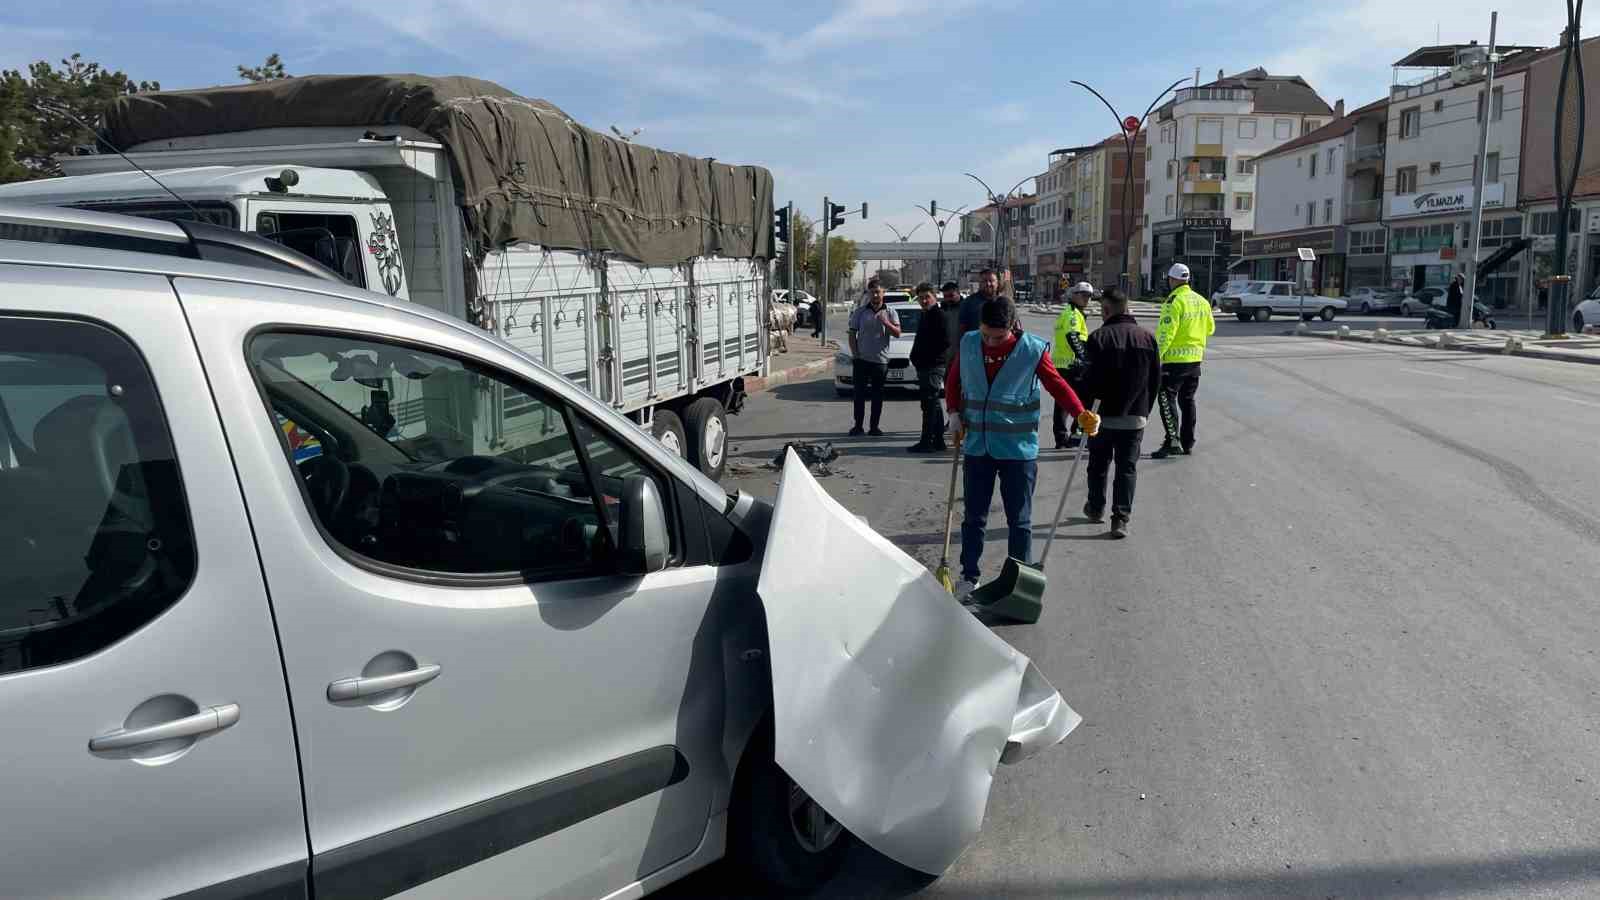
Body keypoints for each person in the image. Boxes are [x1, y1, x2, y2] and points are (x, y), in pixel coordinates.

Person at [946, 295, 1100, 598]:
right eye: (986, 334)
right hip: (978, 446)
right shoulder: (968, 343)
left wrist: (1080, 412)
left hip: (1018, 451)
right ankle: (969, 575)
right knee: (974, 517)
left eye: (998, 337)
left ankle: (1016, 580)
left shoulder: (1032, 350)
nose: (990, 342)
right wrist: (953, 413)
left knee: (1020, 520)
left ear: (1013, 327)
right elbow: (954, 381)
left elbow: (1057, 384)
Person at [1075, 288, 1162, 539]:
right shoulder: (1147, 338)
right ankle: (1120, 519)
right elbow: (1155, 379)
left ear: (1106, 310)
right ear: (1127, 308)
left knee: (1098, 465)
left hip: (1101, 416)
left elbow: (1087, 380)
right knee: (1127, 468)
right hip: (1135, 416)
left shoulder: (1099, 338)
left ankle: (1095, 508)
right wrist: (1145, 409)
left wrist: (1084, 411)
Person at [1152, 262, 1214, 459]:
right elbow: (1210, 328)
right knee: (1187, 400)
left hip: (1175, 361)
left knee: (1165, 398)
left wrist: (1155, 358)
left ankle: (1173, 441)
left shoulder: (1174, 301)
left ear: (1172, 280)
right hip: (1195, 359)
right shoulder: (1202, 301)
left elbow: (1165, 334)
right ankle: (1188, 442)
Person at [847, 283, 901, 436]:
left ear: (883, 293)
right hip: (862, 360)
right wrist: (855, 354)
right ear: (869, 295)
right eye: (872, 293)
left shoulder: (891, 312)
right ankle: (858, 426)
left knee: (877, 396)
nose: (875, 295)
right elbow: (852, 334)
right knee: (859, 395)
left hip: (880, 362)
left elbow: (897, 333)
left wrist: (886, 322)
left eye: (878, 292)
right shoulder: (860, 312)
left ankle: (874, 427)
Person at [907, 282, 953, 452]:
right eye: (921, 298)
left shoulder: (939, 315)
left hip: (933, 366)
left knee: (929, 404)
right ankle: (938, 441)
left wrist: (926, 358)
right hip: (925, 365)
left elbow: (945, 342)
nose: (924, 301)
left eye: (927, 297)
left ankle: (926, 442)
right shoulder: (926, 314)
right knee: (933, 404)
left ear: (934, 297)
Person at [1050, 282, 1094, 449]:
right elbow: (1072, 337)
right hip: (1072, 365)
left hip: (1062, 363)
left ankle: (1061, 438)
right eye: (1083, 295)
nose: (1086, 299)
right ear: (1074, 295)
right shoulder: (1074, 315)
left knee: (1062, 403)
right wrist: (1084, 358)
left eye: (1089, 296)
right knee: (1082, 400)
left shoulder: (1066, 312)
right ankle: (1075, 435)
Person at [959, 269, 1000, 335]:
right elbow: (962, 329)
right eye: (984, 281)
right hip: (976, 344)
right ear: (979, 283)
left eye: (991, 281)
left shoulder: (1005, 302)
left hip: (1001, 344)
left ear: (997, 283)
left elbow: (1015, 326)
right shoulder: (968, 303)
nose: (988, 284)